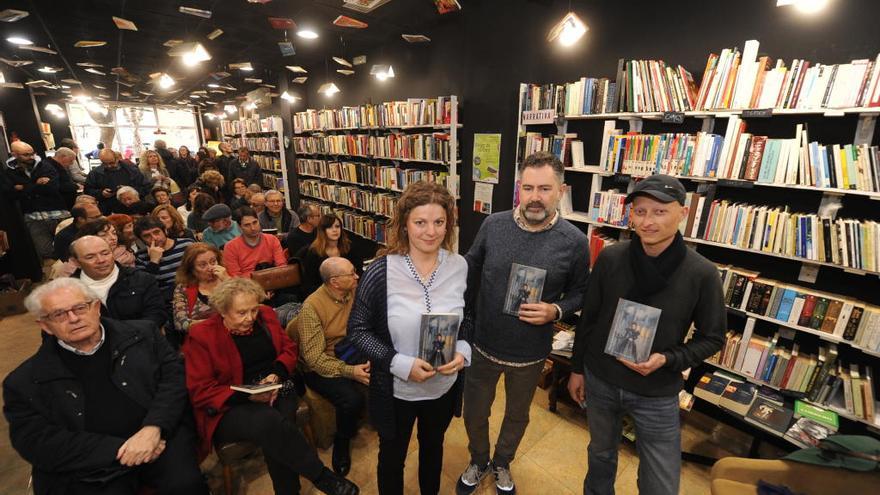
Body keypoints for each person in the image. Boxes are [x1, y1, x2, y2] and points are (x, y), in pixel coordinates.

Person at [567, 175, 725, 495]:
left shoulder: (702, 273)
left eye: (659, 211)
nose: (648, 221)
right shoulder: (612, 258)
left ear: (682, 213)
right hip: (602, 379)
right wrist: (576, 368)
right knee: (600, 454)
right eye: (640, 212)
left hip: (657, 390)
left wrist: (667, 359)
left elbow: (713, 338)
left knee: (661, 480)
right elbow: (590, 319)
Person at [457, 151, 589, 495]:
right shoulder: (493, 224)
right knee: (474, 413)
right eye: (527, 187)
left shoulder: (574, 242)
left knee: (517, 416)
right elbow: (469, 268)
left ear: (560, 190)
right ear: (519, 188)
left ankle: (502, 463)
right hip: (483, 344)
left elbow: (580, 293)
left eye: (544, 188)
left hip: (529, 353)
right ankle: (479, 459)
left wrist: (556, 311)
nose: (534, 197)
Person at [3, 278, 208, 495]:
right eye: (59, 314)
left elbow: (174, 381)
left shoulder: (144, 334)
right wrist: (119, 449)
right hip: (92, 463)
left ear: (96, 307)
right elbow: (36, 441)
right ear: (45, 325)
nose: (73, 318)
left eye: (80, 308)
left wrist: (154, 428)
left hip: (161, 438)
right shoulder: (24, 381)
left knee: (185, 485)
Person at [182, 277, 360, 495]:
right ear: (222, 311)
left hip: (275, 386)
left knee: (277, 427)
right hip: (231, 403)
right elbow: (201, 390)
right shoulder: (202, 335)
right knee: (271, 422)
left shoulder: (265, 315)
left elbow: (289, 349)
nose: (250, 318)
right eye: (241, 313)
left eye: (253, 309)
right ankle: (321, 477)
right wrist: (249, 396)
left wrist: (276, 374)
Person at [348, 181, 470, 495]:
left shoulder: (459, 266)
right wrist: (400, 363)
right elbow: (358, 331)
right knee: (392, 457)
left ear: (449, 224)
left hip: (442, 387)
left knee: (433, 450)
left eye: (439, 222)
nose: (431, 231)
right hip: (396, 392)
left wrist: (463, 351)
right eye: (420, 222)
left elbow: (466, 319)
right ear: (404, 224)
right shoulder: (380, 272)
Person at [289, 257, 368, 476]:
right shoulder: (311, 307)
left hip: (352, 350)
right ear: (334, 282)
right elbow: (314, 358)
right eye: (351, 274)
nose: (356, 276)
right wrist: (351, 372)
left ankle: (382, 421)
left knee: (387, 370)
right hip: (323, 365)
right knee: (352, 399)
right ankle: (342, 442)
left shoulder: (353, 292)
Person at [69, 235, 167, 328]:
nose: (101, 260)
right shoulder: (67, 291)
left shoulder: (141, 279)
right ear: (76, 262)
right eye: (90, 257)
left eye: (105, 253)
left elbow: (157, 316)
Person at [1, 141, 71, 259]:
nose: (31, 157)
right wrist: (36, 184)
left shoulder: (45, 166)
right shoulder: (9, 172)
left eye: (32, 153)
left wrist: (23, 187)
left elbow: (52, 187)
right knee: (46, 251)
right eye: (26, 155)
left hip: (58, 213)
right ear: (14, 154)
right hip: (33, 217)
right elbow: (11, 193)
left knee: (70, 247)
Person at [134, 216, 195, 302]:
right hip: (166, 302)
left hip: (194, 292)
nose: (154, 238)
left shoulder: (187, 245)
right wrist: (154, 262)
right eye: (147, 236)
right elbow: (145, 288)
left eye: (156, 232)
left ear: (165, 231)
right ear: (141, 240)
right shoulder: (141, 257)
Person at [300, 214, 362, 297]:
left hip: (350, 291)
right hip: (325, 295)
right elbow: (309, 283)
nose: (335, 230)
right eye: (330, 227)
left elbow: (359, 272)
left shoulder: (349, 247)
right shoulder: (314, 252)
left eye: (337, 226)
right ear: (323, 231)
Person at [172, 242, 228, 334]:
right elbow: (181, 323)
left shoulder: (227, 278)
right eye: (203, 265)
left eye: (213, 261)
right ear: (191, 269)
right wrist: (218, 324)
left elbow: (248, 305)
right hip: (204, 337)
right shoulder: (183, 288)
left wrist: (228, 281)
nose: (211, 268)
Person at [221, 206, 287, 277]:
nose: (253, 228)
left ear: (259, 221)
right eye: (247, 225)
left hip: (272, 280)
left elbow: (281, 266)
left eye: (255, 222)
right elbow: (235, 276)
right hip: (247, 285)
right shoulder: (231, 247)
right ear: (239, 227)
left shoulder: (272, 239)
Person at [84, 148, 150, 214]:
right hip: (109, 209)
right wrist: (101, 193)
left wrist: (130, 191)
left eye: (111, 163)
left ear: (117, 158)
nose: (109, 166)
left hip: (134, 209)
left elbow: (146, 187)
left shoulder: (132, 170)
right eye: (105, 164)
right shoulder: (95, 173)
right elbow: (88, 191)